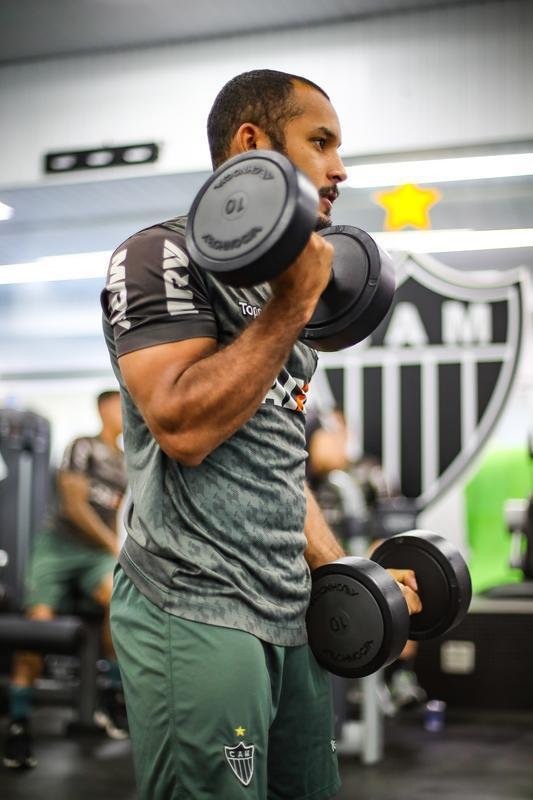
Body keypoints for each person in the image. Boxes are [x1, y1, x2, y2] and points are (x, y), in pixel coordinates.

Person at [101, 69, 421, 800]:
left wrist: (351, 578)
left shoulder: (290, 297)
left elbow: (276, 469)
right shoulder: (159, 256)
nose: (339, 167)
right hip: (195, 601)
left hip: (286, 608)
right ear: (253, 143)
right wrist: (293, 304)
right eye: (320, 141)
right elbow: (181, 426)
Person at [3, 390, 128, 769]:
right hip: (59, 547)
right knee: (38, 625)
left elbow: (123, 515)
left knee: (117, 601)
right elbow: (74, 506)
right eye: (119, 405)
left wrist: (117, 548)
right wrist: (113, 546)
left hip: (96, 557)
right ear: (104, 408)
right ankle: (19, 724)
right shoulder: (83, 446)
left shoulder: (128, 462)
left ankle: (112, 694)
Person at [306, 404, 427, 714]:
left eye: (326, 434)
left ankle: (399, 678)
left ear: (344, 434)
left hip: (361, 565)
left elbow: (391, 531)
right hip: (314, 578)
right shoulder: (298, 476)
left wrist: (371, 570)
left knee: (401, 583)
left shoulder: (367, 473)